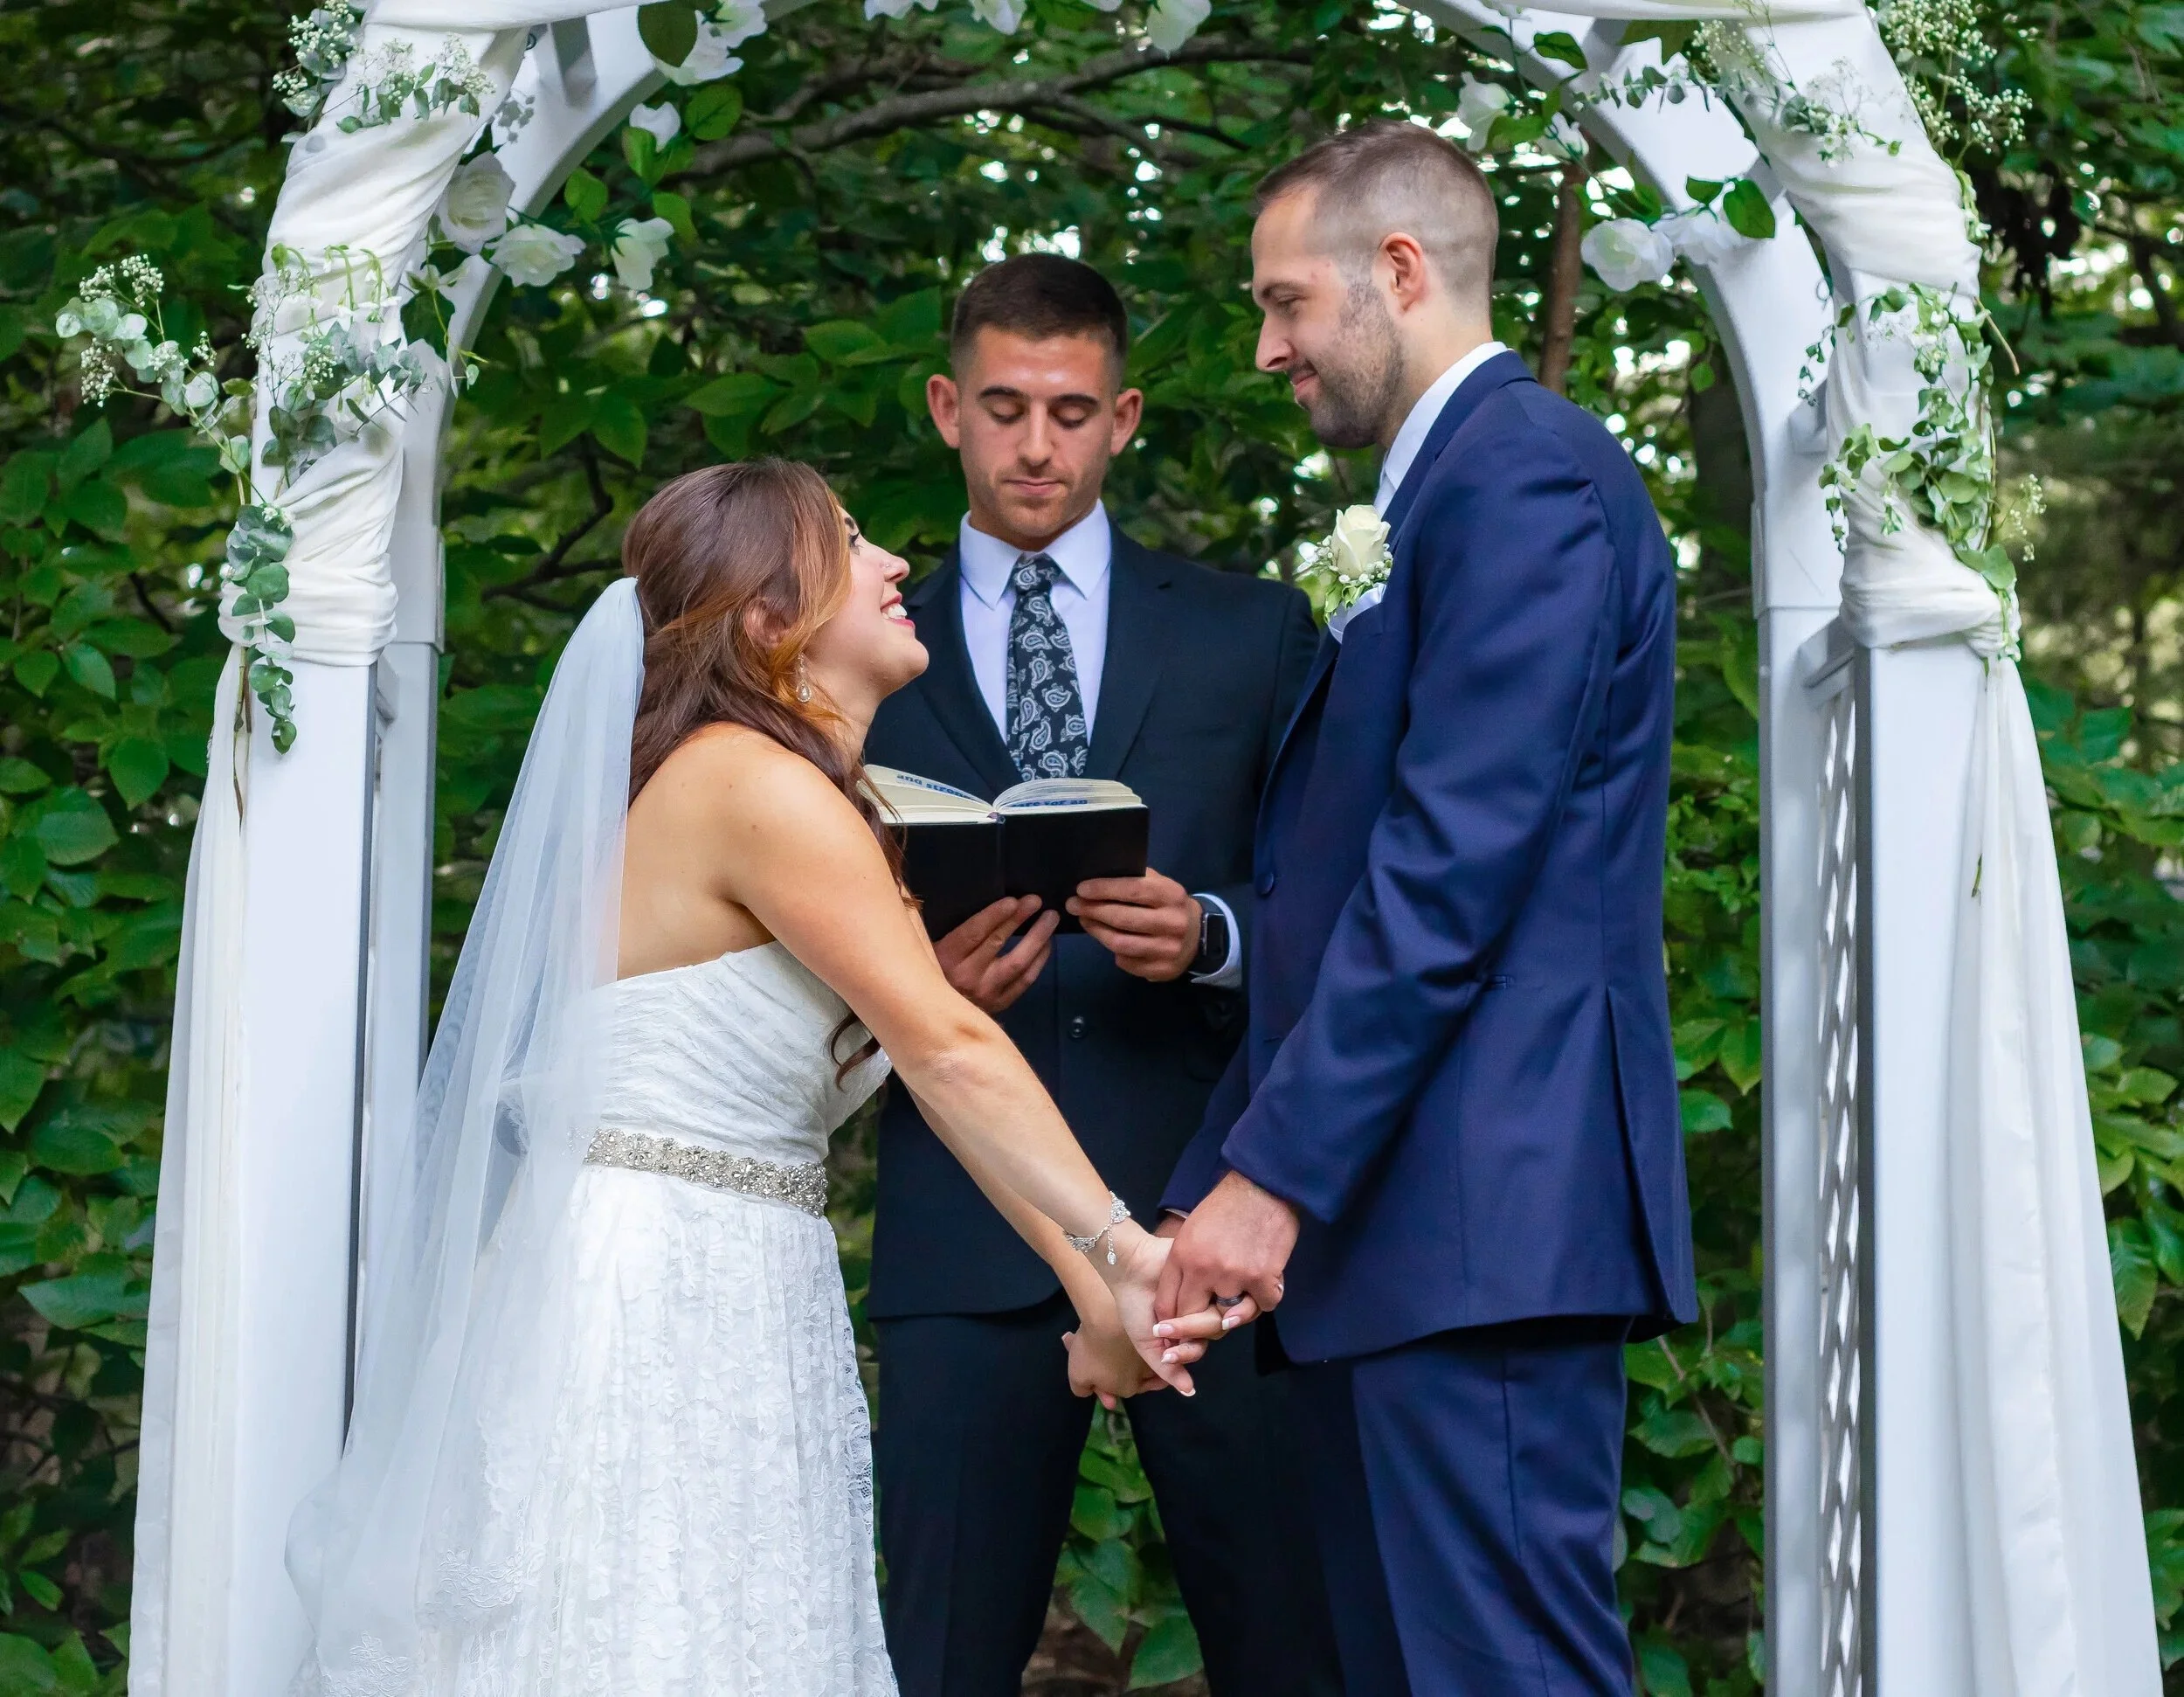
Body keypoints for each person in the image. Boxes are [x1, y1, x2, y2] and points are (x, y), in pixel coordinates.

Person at [284, 460, 1241, 1697]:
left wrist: (1097, 1287)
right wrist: (1129, 1249)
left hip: (727, 1266)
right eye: (850, 541)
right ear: (770, 617)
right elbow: (951, 1052)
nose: (898, 563)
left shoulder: (775, 788)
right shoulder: (753, 782)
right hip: (659, 1283)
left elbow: (938, 1061)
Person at [1156, 123, 1701, 1694]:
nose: (1268, 350)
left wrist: (1271, 1176)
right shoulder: (1448, 488)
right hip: (1401, 1236)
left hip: (1485, 1224)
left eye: (1285, 305)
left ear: (1398, 272)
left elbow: (1451, 872)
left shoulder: (1526, 476)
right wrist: (1212, 1196)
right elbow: (1325, 895)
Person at [861, 254, 1337, 1697]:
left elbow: (1336, 901)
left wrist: (1212, 936)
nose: (1035, 446)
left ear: (1124, 417)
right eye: (1001, 407)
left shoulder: (1248, 634)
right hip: (963, 1233)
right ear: (947, 406)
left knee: (1291, 1647)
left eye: (1071, 411)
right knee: (935, 1657)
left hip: (1212, 1221)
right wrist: (913, 981)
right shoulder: (861, 636)